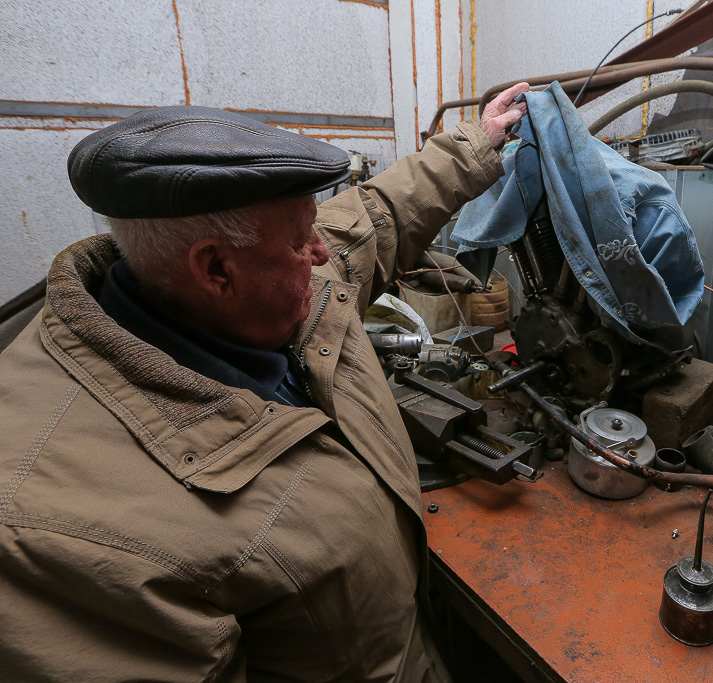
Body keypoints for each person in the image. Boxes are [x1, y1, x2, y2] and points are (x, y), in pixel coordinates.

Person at [0, 82, 528, 681]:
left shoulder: (258, 285)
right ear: (216, 268)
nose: (322, 253)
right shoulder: (54, 534)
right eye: (303, 241)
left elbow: (374, 218)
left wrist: (474, 143)